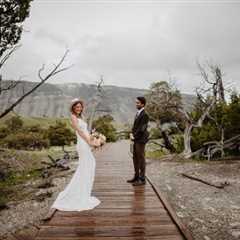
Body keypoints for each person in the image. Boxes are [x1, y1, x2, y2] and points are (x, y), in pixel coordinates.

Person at [44, 98, 101, 220]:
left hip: (86, 141)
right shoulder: (73, 117)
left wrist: (93, 135)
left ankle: (84, 191)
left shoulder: (82, 117)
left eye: (80, 106)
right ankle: (78, 193)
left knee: (89, 165)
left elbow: (85, 130)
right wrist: (89, 141)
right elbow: (79, 131)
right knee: (87, 165)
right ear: (73, 108)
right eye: (76, 107)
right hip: (82, 143)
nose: (79, 108)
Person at [127, 96, 149, 186]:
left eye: (138, 103)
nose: (136, 104)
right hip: (135, 139)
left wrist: (134, 136)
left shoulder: (145, 115)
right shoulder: (138, 113)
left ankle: (142, 179)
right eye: (136, 103)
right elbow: (135, 127)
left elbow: (142, 129)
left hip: (140, 140)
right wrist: (131, 133)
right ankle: (136, 176)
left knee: (141, 159)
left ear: (143, 104)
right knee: (135, 158)